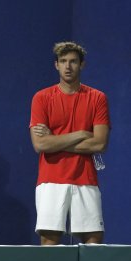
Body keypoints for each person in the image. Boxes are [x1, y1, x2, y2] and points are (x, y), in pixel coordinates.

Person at [29, 41, 110, 245]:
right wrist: (82, 133)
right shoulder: (41, 98)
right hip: (50, 180)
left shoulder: (97, 98)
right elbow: (40, 145)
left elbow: (100, 144)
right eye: (63, 61)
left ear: (81, 65)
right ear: (56, 65)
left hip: (86, 178)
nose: (68, 66)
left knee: (93, 241)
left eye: (73, 61)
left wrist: (54, 139)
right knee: (49, 241)